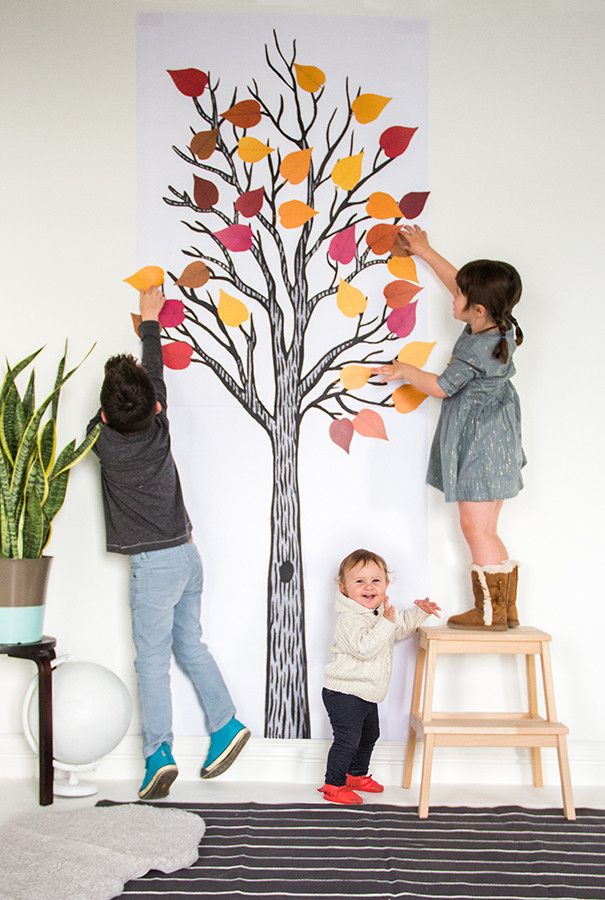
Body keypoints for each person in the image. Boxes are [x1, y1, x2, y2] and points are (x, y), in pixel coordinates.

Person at [87, 285, 249, 800]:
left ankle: (158, 752)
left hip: (155, 569)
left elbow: (127, 403)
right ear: (156, 405)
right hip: (187, 554)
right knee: (189, 644)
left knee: (152, 660)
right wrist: (151, 320)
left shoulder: (102, 441)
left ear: (106, 417)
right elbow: (153, 371)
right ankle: (225, 724)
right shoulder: (160, 425)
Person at [373, 226, 525, 631]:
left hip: (481, 446)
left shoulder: (476, 346)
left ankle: (490, 613)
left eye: (460, 297)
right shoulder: (499, 324)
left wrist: (406, 371)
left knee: (475, 529)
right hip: (497, 441)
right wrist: (424, 251)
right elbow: (459, 280)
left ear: (477, 309)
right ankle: (504, 610)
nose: (452, 296)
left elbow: (441, 387)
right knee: (488, 529)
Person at [318, 549, 440, 805]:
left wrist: (420, 612)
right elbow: (365, 648)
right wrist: (386, 621)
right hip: (344, 692)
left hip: (366, 693)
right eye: (359, 581)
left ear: (386, 584)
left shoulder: (378, 614)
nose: (369, 587)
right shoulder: (348, 620)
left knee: (370, 735)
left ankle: (356, 774)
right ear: (344, 588)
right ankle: (333, 783)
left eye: (376, 580)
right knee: (347, 740)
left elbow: (398, 629)